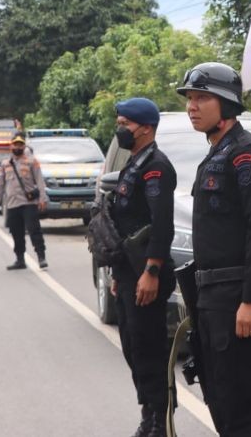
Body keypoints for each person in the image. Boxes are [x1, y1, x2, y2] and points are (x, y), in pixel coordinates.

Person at [178, 62, 251, 436]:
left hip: (237, 298)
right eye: (189, 98)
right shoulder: (217, 153)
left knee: (244, 410)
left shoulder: (248, 154)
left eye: (202, 97)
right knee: (221, 402)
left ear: (228, 104)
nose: (192, 106)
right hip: (212, 298)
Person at [108, 97, 177, 437]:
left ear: (146, 128)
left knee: (149, 348)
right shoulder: (132, 164)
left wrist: (151, 271)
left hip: (148, 272)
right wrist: (118, 275)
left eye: (125, 124)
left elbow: (162, 225)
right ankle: (148, 409)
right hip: (128, 270)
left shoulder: (156, 167)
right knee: (132, 347)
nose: (120, 129)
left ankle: (159, 419)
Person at [0, 133, 49, 269]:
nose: (18, 147)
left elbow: (40, 182)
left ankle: (41, 257)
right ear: (11, 146)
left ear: (24, 146)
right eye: (15, 144)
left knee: (34, 231)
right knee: (16, 233)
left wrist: (42, 199)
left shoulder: (32, 161)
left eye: (20, 144)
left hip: (28, 204)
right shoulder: (5, 164)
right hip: (12, 204)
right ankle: (20, 259)